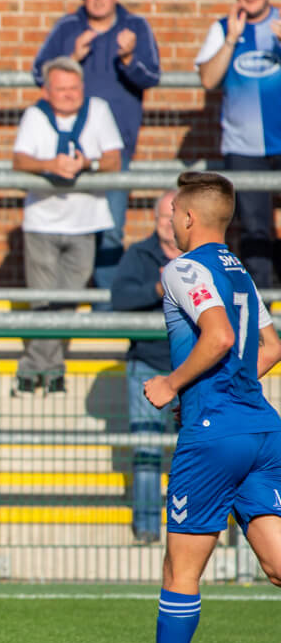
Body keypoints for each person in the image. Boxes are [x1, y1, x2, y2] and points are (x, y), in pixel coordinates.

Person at [107, 171, 281, 643]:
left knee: (181, 568)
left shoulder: (182, 268)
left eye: (174, 212)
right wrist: (227, 387)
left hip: (213, 434)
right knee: (277, 565)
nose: (172, 222)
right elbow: (271, 346)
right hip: (260, 426)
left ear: (187, 217)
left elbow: (220, 337)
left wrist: (172, 384)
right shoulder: (243, 273)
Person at [33, 0, 161, 306]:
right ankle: (65, 306)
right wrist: (71, 58)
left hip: (114, 152)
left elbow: (152, 77)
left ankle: (108, 308)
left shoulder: (135, 27)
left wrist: (129, 57)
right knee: (70, 226)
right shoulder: (68, 28)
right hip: (66, 149)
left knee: (111, 229)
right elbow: (38, 73)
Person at [11, 56, 123, 396]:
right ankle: (40, 371)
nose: (68, 94)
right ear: (47, 90)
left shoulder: (99, 110)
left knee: (68, 301)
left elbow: (114, 158)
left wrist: (84, 163)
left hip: (85, 221)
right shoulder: (35, 115)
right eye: (61, 89)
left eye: (74, 88)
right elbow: (19, 160)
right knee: (43, 300)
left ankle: (44, 368)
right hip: (42, 220)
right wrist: (51, 165)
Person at [194, 0, 281, 289]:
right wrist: (230, 40)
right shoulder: (223, 27)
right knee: (254, 227)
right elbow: (208, 79)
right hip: (244, 146)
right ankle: (263, 303)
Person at [110, 191, 181, 544]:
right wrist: (158, 285)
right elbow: (119, 300)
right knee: (147, 449)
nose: (170, 225)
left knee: (199, 451)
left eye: (176, 217)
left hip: (194, 368)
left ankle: (193, 528)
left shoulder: (200, 257)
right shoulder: (139, 255)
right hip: (149, 365)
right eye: (164, 218)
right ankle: (149, 530)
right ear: (155, 221)